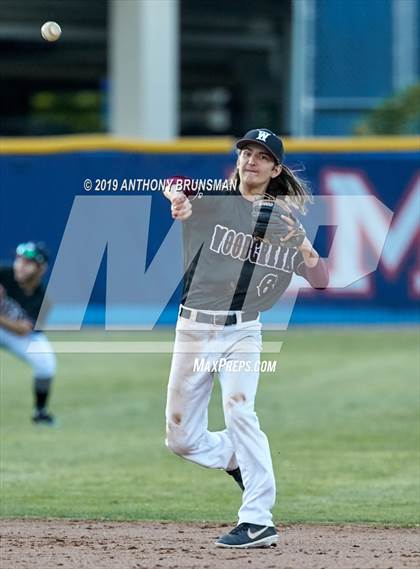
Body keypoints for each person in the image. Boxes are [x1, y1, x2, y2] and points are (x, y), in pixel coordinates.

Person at [164, 129, 328, 548]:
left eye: (262, 156)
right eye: (246, 152)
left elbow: (322, 279)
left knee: (239, 409)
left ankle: (258, 520)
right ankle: (239, 459)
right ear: (237, 161)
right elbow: (179, 188)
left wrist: (305, 247)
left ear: (275, 170)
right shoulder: (214, 197)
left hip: (242, 329)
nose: (251, 159)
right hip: (193, 329)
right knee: (181, 440)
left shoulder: (280, 219)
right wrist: (177, 200)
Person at [0, 242, 57, 425]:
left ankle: (40, 412)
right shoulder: (5, 273)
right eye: (19, 260)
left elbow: (22, 329)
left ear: (40, 269)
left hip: (16, 334)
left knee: (46, 363)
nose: (20, 265)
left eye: (28, 262)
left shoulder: (43, 299)